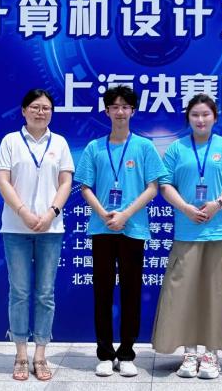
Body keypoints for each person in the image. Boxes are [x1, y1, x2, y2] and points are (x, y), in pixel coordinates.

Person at [152, 94, 222, 379]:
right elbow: (165, 184)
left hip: (217, 233)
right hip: (186, 232)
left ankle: (211, 354)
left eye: (206, 114)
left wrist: (217, 204)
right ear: (188, 119)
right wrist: (185, 208)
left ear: (215, 117)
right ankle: (190, 352)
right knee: (183, 294)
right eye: (195, 114)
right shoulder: (177, 148)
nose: (201, 119)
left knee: (215, 295)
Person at [74, 85, 165, 378]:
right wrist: (104, 214)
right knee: (102, 292)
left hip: (133, 229)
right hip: (102, 228)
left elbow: (153, 187)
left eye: (125, 106)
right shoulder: (94, 147)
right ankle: (104, 353)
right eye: (115, 106)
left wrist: (125, 214)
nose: (120, 111)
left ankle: (126, 353)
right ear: (107, 111)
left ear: (133, 111)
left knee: (131, 292)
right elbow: (84, 186)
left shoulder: (144, 146)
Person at [0, 89, 74, 382]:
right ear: (24, 110)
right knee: (19, 292)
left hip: (50, 229)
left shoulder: (60, 142)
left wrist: (51, 212)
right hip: (16, 228)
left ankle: (40, 355)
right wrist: (24, 212)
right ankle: (20, 354)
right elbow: (3, 181)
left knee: (45, 294)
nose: (41, 112)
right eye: (36, 107)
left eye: (46, 108)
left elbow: (65, 182)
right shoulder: (11, 141)